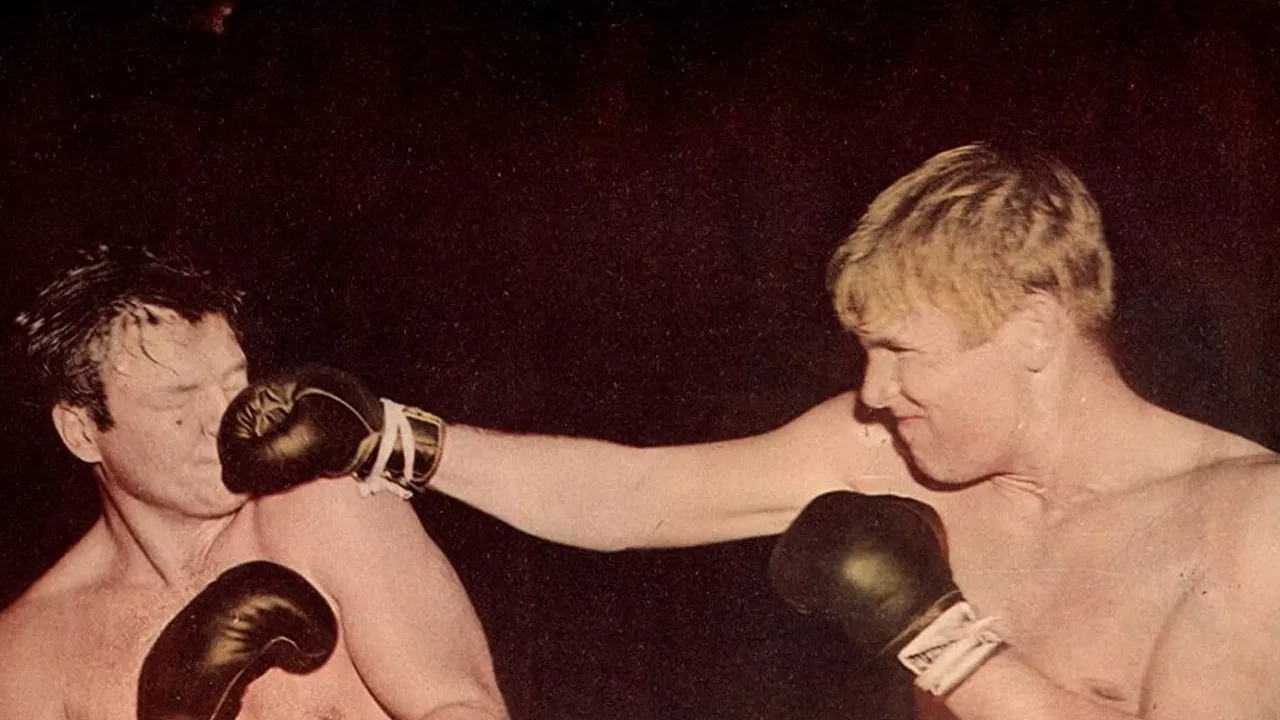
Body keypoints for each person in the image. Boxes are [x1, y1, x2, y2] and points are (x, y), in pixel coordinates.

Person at [231, 142, 1280, 719]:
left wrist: (942, 639)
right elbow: (634, 499)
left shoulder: (1239, 524)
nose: (874, 390)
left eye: (904, 351)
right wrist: (396, 440)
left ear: (1037, 332)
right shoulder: (894, 456)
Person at [0, 246, 508, 720]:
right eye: (178, 401)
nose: (225, 418)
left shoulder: (326, 511)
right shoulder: (31, 654)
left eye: (232, 381)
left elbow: (464, 708)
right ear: (82, 432)